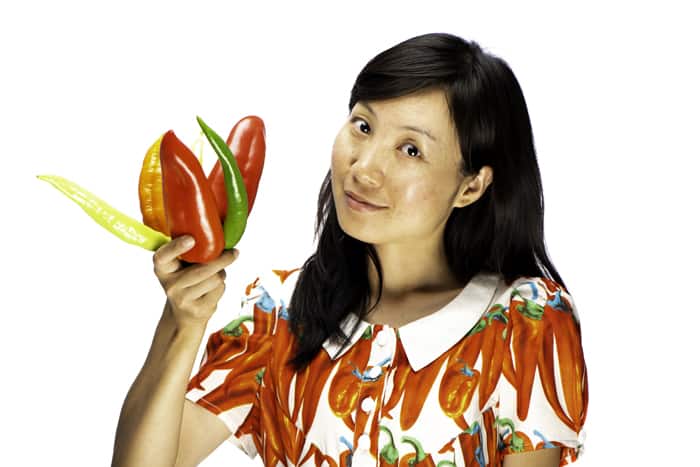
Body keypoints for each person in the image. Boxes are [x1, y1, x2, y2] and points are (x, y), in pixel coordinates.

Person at [111, 32, 588, 467]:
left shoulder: (524, 324)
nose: (364, 168)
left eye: (411, 150)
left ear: (471, 185)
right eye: (363, 126)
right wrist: (182, 323)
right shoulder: (279, 311)